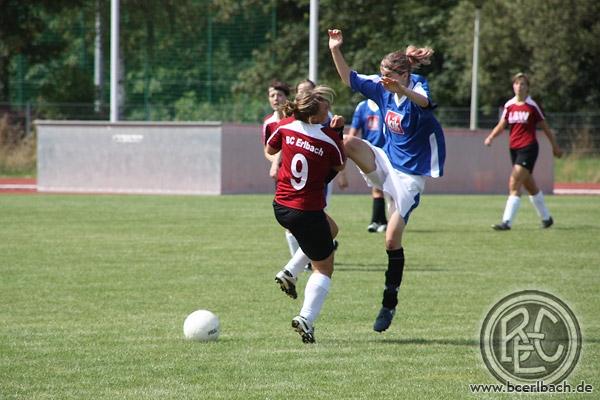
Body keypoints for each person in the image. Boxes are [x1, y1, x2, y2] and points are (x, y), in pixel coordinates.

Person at [328, 28, 446, 333]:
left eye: (389, 75)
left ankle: (389, 302)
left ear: (404, 74)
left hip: (410, 177)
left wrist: (402, 89)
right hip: (386, 161)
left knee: (391, 240)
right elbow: (349, 78)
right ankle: (317, 195)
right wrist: (335, 49)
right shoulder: (382, 88)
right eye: (382, 74)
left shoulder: (417, 85)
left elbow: (423, 102)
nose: (383, 80)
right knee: (348, 144)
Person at [265, 85, 346, 343]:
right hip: (306, 211)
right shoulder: (328, 137)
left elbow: (270, 149)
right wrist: (338, 133)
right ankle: (306, 319)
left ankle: (289, 271)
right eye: (324, 106)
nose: (328, 110)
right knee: (324, 268)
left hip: (281, 206)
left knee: (332, 229)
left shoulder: (286, 125)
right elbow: (339, 165)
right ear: (314, 115)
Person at [484, 72, 562, 230]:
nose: (519, 87)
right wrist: (491, 137)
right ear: (513, 86)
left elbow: (545, 128)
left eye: (523, 84)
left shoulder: (532, 106)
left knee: (514, 182)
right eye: (517, 84)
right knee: (530, 185)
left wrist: (555, 146)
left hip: (529, 148)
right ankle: (547, 219)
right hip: (514, 149)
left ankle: (507, 222)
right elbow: (502, 125)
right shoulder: (509, 105)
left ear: (528, 88)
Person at [261, 80, 303, 259]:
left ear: (287, 98)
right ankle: (301, 259)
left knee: (307, 215)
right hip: (283, 176)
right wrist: (275, 162)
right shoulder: (269, 123)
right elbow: (268, 151)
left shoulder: (296, 118)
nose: (275, 98)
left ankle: (316, 248)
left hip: (302, 173)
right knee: (291, 220)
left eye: (279, 95)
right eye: (272, 95)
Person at [347, 98, 388, 233]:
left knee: (388, 189)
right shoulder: (362, 106)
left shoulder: (387, 102)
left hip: (388, 151)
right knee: (376, 187)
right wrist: (349, 147)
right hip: (369, 151)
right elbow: (353, 131)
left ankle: (382, 221)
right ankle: (378, 221)